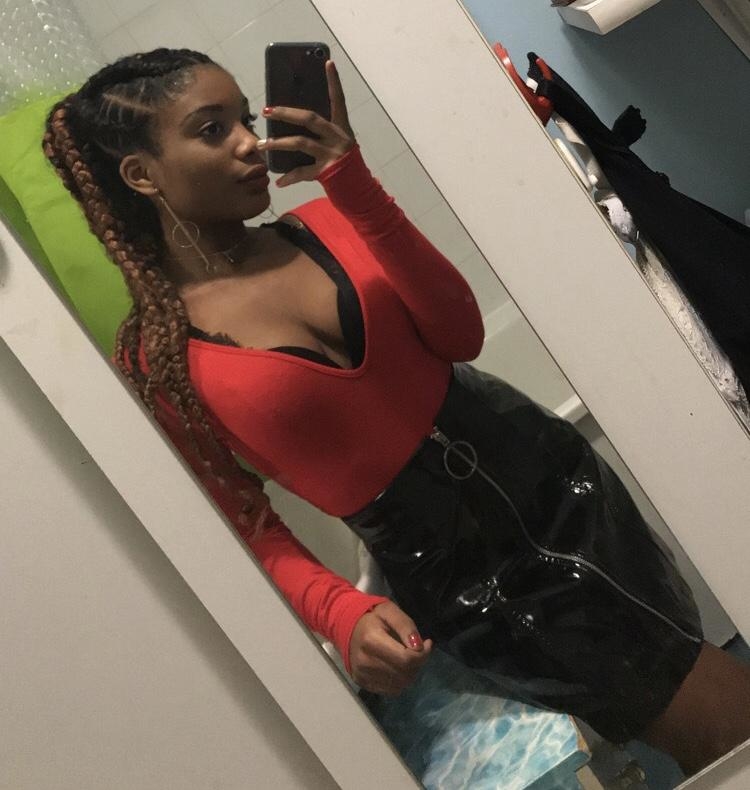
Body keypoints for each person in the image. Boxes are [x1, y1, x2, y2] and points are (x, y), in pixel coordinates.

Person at [42, 47, 750, 775]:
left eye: (246, 119)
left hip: (551, 475)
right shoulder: (159, 361)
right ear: (142, 174)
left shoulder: (324, 222)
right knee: (707, 714)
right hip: (456, 571)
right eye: (212, 129)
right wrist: (338, 611)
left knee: (696, 683)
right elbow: (241, 522)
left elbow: (459, 334)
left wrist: (351, 182)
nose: (250, 142)